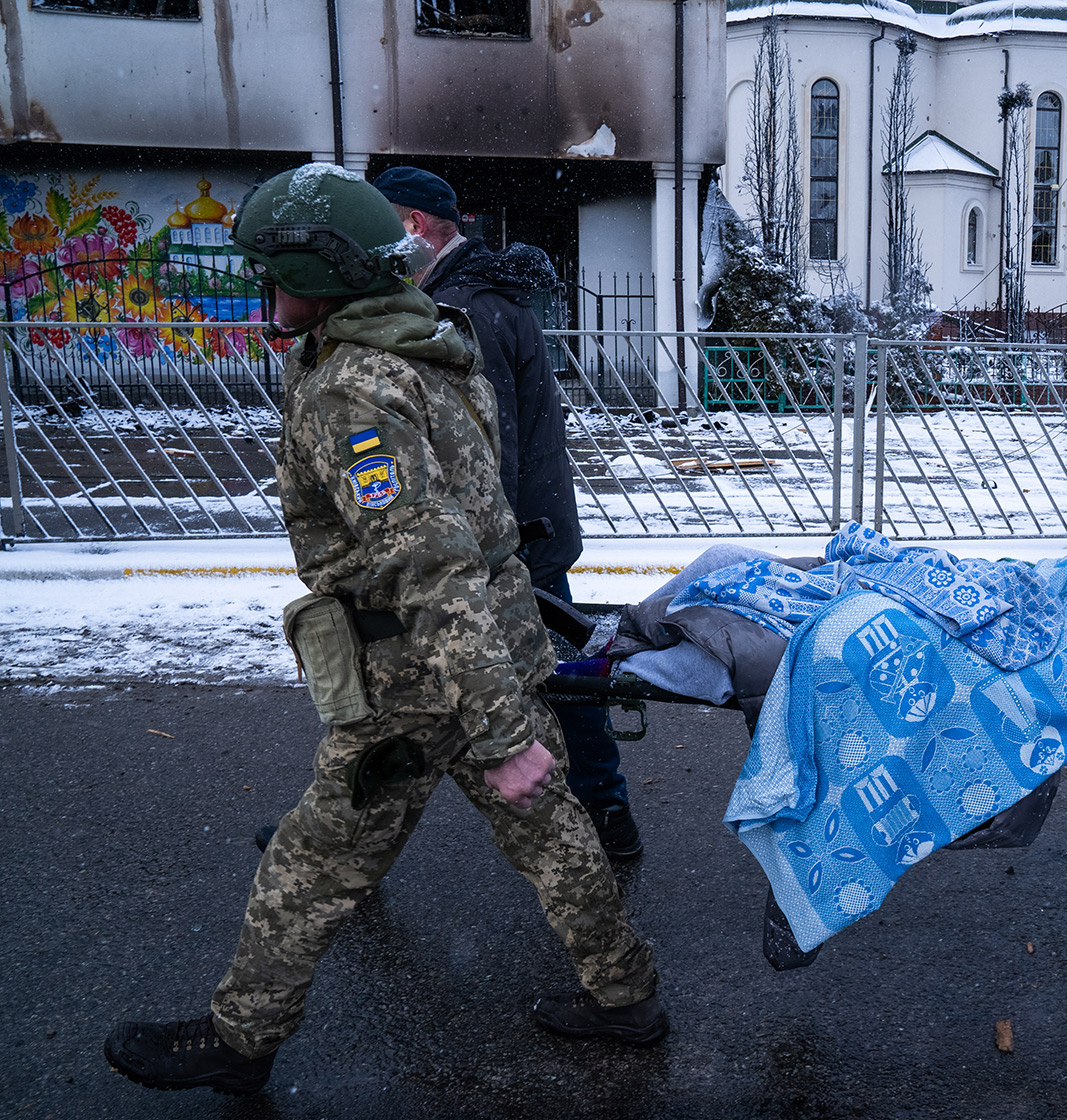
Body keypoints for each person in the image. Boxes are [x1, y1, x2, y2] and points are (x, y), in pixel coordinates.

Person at [105, 165, 666, 1097]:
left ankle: (243, 1039)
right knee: (549, 827)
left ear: (314, 275)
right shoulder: (420, 341)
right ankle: (625, 994)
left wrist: (495, 729)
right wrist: (504, 716)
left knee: (316, 855)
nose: (265, 290)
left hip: (421, 669)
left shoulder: (356, 390)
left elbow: (427, 560)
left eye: (272, 272)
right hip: (488, 645)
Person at [372, 166, 641, 860]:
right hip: (524, 532)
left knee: (538, 683)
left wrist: (484, 545)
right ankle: (607, 814)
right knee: (534, 680)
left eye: (382, 225)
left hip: (510, 538)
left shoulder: (465, 309)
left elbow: (490, 444)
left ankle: (606, 816)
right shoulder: (472, 296)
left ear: (414, 225)